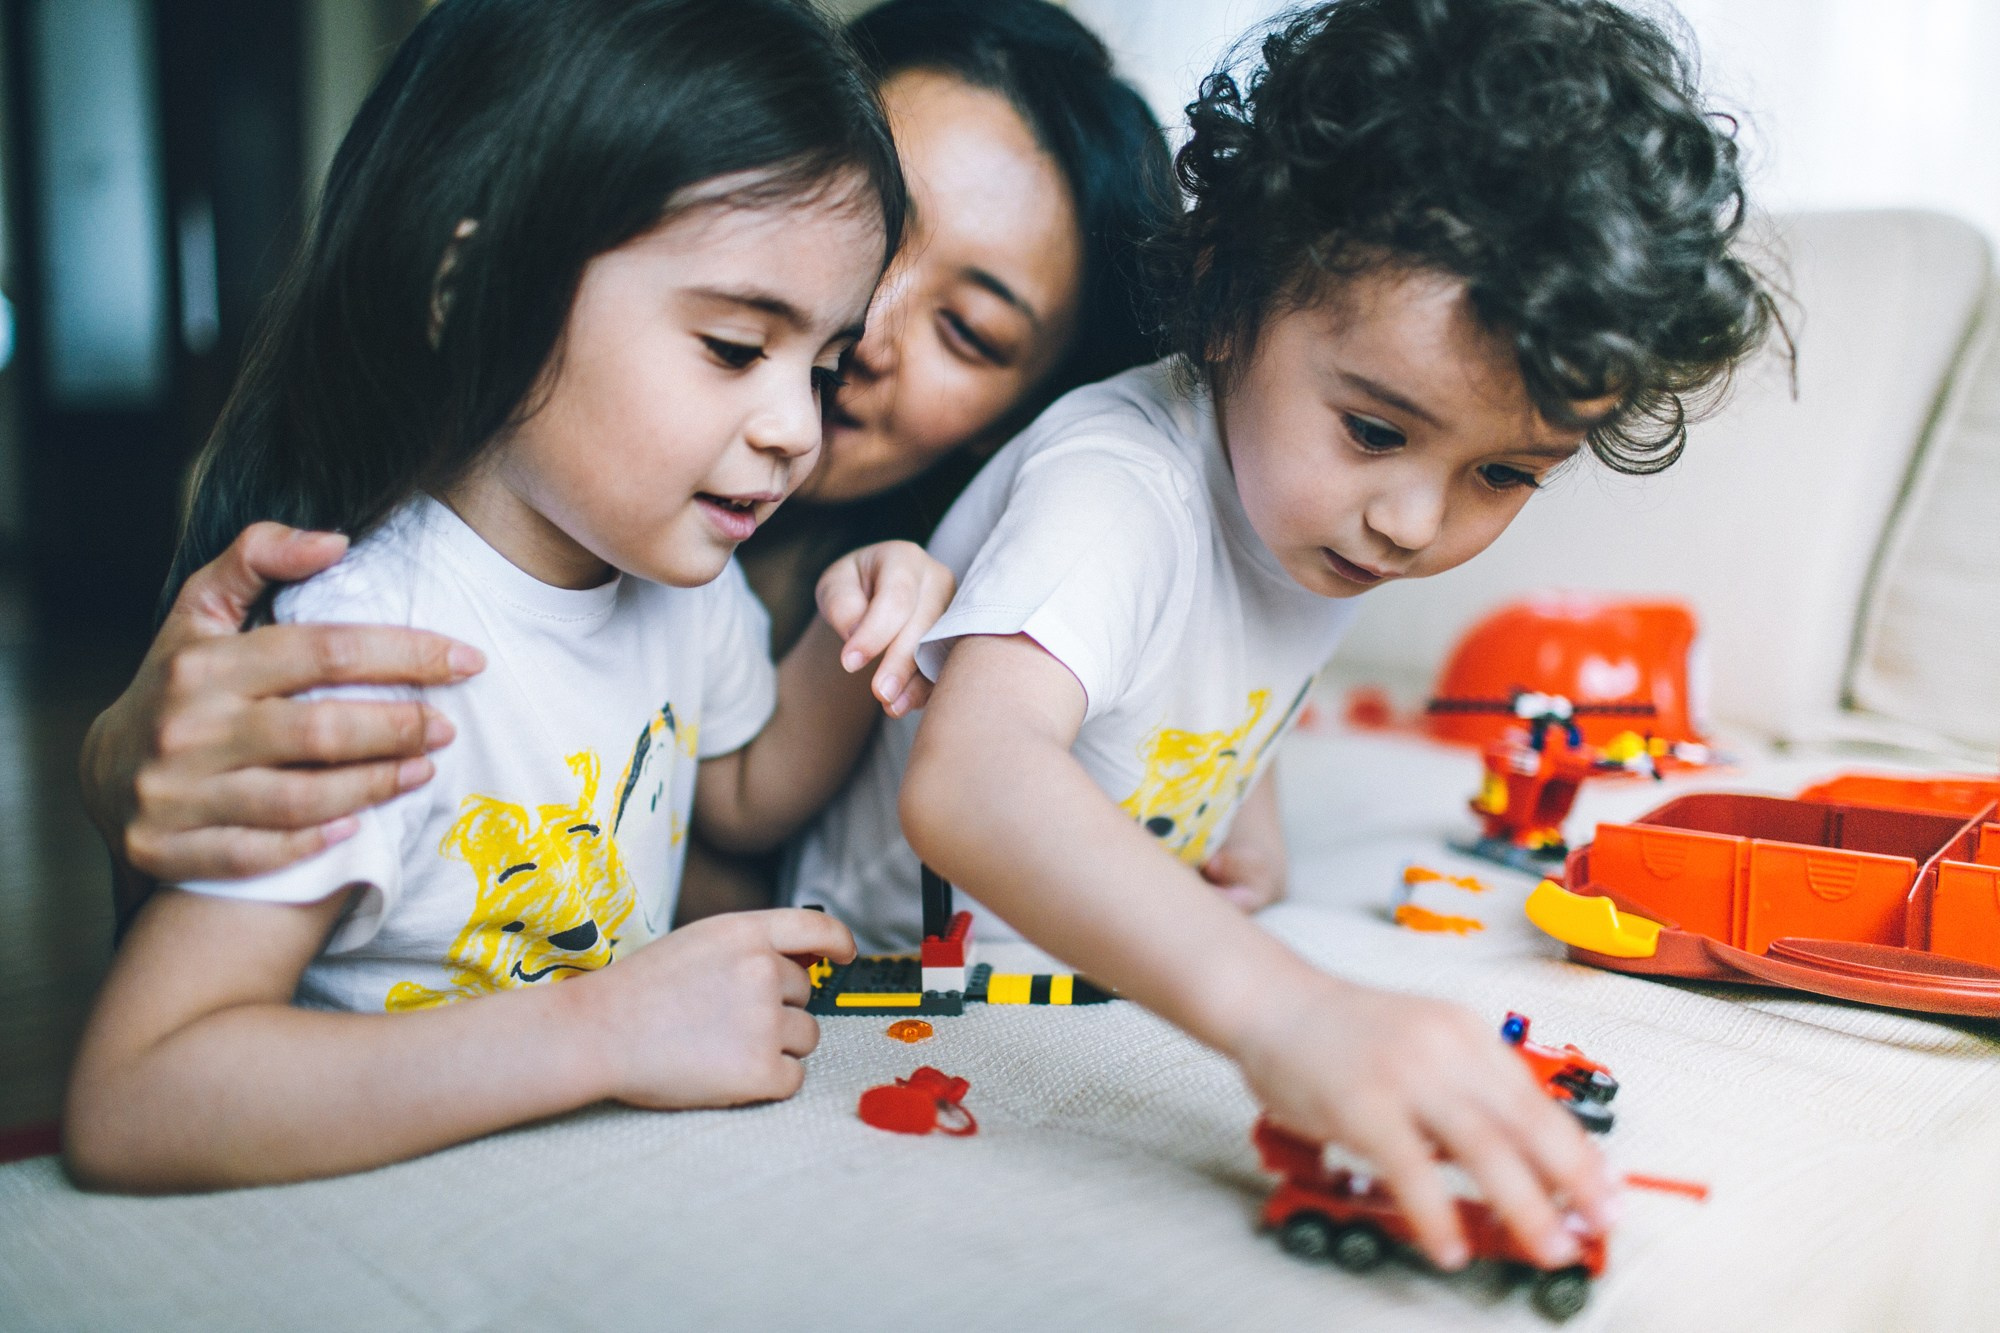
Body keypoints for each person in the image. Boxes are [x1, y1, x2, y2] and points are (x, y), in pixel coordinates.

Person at [805, 0, 1782, 1275]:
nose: (1412, 520)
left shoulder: (1299, 499)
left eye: (1502, 475)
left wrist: (1235, 799)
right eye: (1374, 431)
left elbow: (1209, 649)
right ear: (1223, 297)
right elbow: (975, 779)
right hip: (903, 972)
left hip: (1077, 964)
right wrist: (1285, 1009)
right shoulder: (1114, 487)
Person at [71, 0, 1247, 927]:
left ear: (1014, 421)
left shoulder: (895, 610)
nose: (859, 334)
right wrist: (117, 762)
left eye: (968, 331)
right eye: (866, 227)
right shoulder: (386, 584)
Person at [62, 0, 946, 1191]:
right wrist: (606, 1028)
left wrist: (871, 628)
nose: (797, 427)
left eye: (824, 366)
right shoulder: (368, 644)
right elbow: (141, 1097)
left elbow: (739, 787)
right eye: (736, 346)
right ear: (472, 286)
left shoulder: (675, 579)